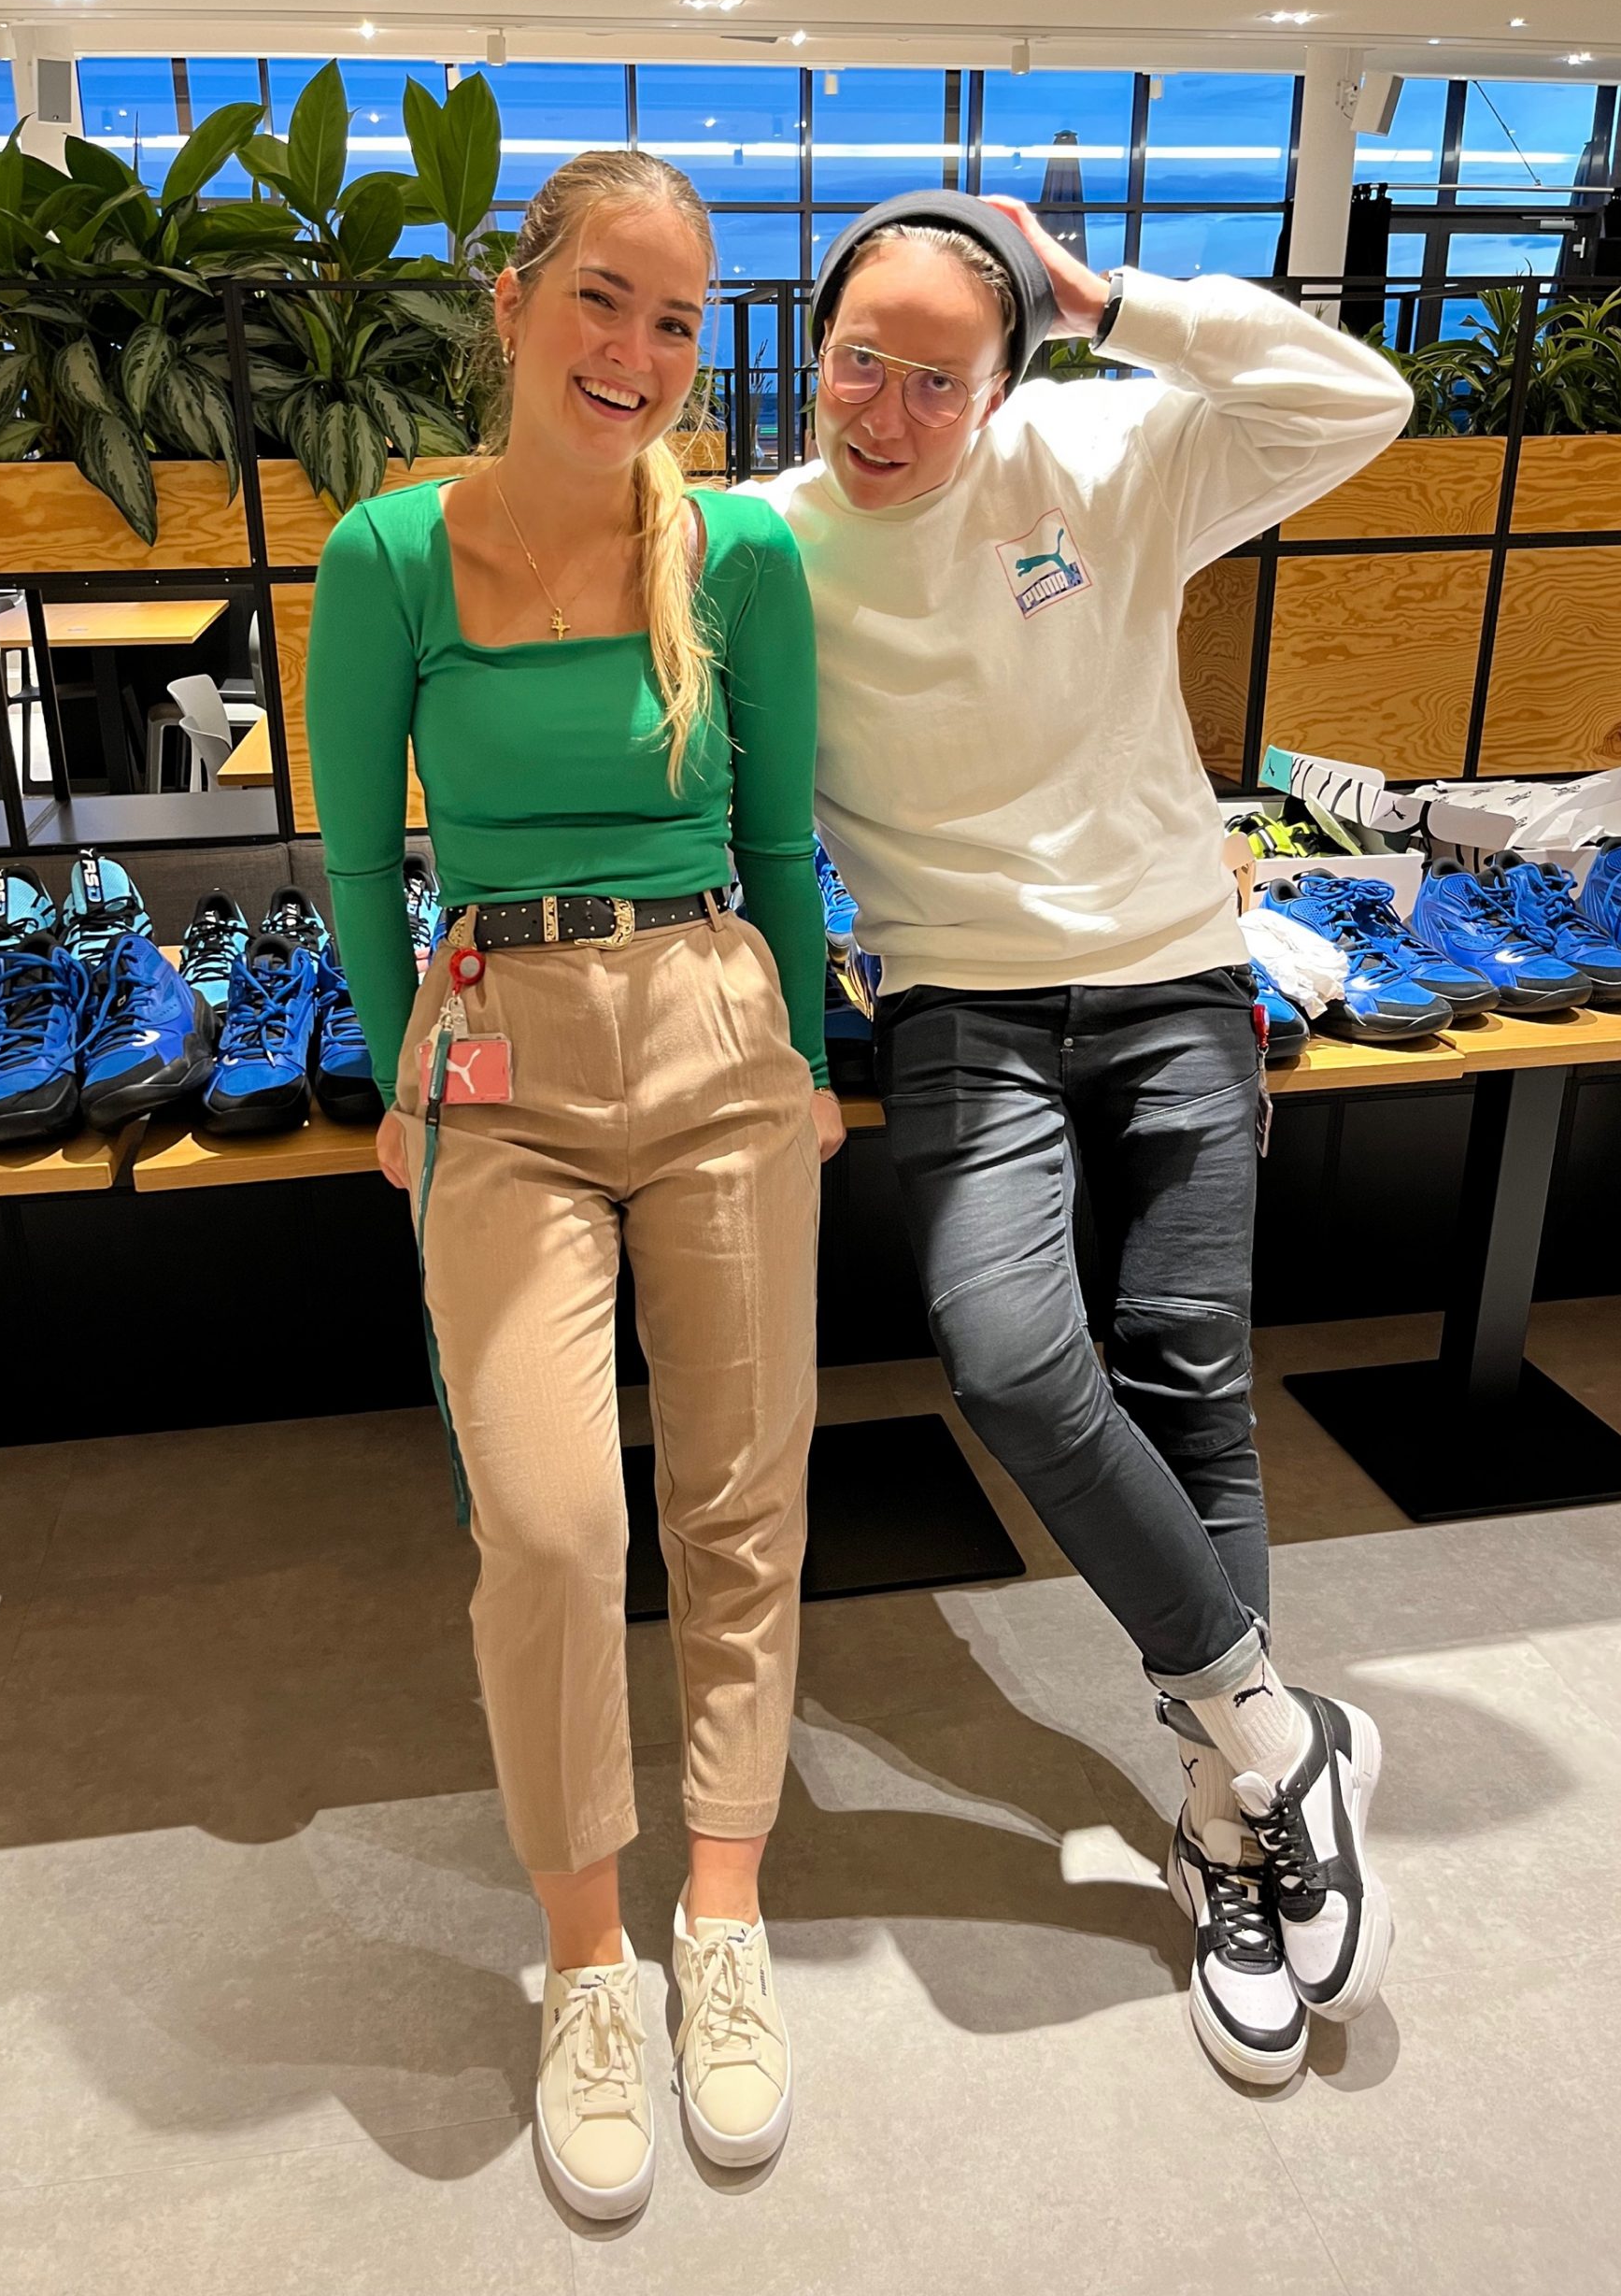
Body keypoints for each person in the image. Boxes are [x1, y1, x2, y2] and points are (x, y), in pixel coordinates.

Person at [755, 191, 1414, 2088]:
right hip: (958, 1002)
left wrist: (1121, 302)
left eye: (934, 378)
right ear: (814, 347)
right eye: (856, 361)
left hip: (1176, 972)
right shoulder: (768, 544)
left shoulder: (1098, 456)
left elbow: (1356, 402)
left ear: (1005, 378)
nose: (882, 410)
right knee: (1010, 1355)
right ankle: (1274, 1729)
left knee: (1192, 1371)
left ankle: (1229, 1832)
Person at [306, 150, 843, 2218]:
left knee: (741, 1495)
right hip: (498, 1053)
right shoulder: (389, 555)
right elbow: (362, 858)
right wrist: (396, 1080)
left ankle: (723, 1912)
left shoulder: (738, 552)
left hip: (715, 1021)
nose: (636, 351)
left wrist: (805, 1066)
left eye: (677, 319)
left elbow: (779, 842)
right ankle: (589, 1958)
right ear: (513, 303)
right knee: (545, 1520)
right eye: (602, 298)